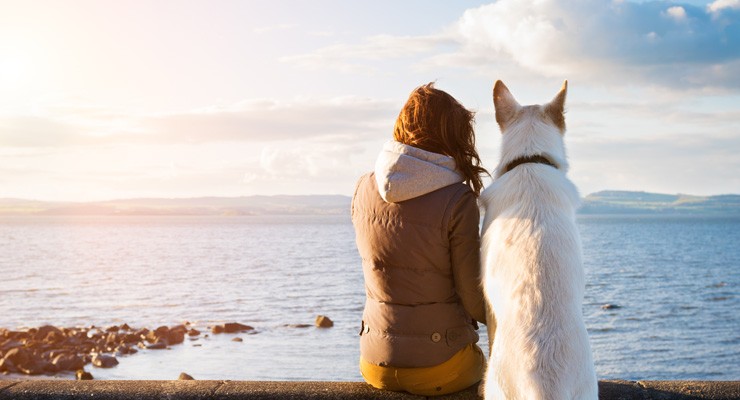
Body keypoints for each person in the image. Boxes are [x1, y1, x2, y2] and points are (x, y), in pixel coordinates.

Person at [351, 83, 489, 396]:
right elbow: (473, 297)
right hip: (441, 365)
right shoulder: (457, 199)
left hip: (374, 362)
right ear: (452, 135)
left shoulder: (363, 188)